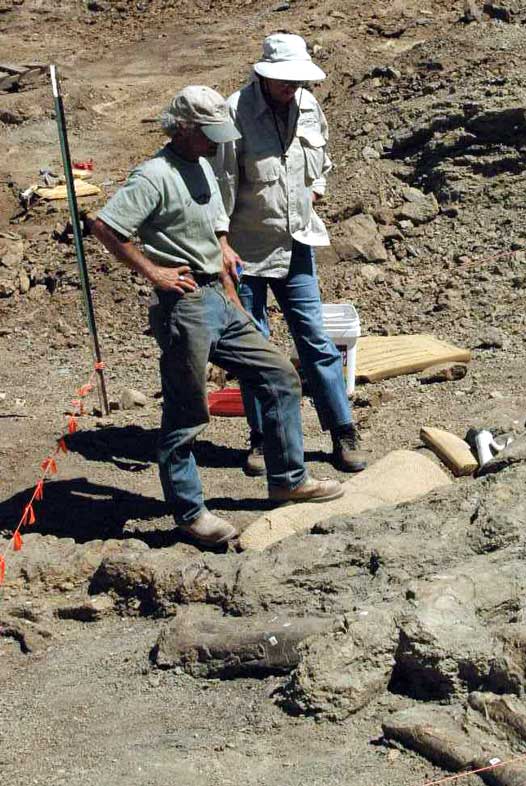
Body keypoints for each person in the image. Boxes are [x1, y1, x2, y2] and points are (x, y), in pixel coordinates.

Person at [91, 85, 343, 547]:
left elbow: (211, 222)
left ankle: (287, 478)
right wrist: (155, 272)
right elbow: (105, 225)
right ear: (183, 128)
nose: (216, 142)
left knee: (279, 373)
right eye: (208, 134)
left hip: (219, 296)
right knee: (187, 413)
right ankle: (190, 513)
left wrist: (224, 252)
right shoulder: (153, 176)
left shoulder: (203, 163)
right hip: (184, 305)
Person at [213, 33, 368, 477]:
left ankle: (342, 431)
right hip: (245, 250)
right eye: (285, 80)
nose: (292, 87)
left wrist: (313, 192)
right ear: (263, 74)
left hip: (297, 242)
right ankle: (264, 439)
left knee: (315, 339)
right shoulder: (234, 111)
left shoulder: (308, 105)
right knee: (255, 347)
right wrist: (221, 242)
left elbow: (322, 161)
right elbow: (222, 183)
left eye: (297, 80)